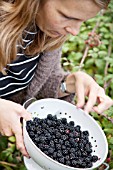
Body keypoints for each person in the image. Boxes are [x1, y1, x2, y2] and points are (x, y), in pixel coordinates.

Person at [0, 0, 112, 157]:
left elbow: (38, 86)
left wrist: (68, 84)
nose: (75, 31)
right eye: (66, 16)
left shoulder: (48, 32)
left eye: (83, 21)